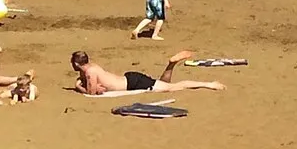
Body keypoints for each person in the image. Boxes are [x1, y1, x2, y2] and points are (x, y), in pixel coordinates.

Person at [70, 50, 225, 94]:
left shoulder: (90, 72)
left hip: (133, 83)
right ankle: (171, 65)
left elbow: (91, 92)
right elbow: (97, 88)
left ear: (77, 64)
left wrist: (79, 87)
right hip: (130, 80)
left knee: (172, 88)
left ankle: (209, 84)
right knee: (165, 85)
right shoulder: (92, 68)